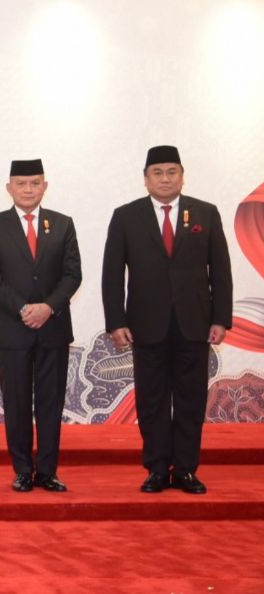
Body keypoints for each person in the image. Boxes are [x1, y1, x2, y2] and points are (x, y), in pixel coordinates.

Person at [102, 146, 232, 494]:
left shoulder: (205, 212)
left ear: (182, 175)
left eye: (171, 171)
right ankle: (158, 468)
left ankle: (186, 469)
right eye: (157, 172)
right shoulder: (126, 216)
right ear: (146, 178)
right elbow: (112, 274)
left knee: (191, 399)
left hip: (195, 323)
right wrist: (116, 321)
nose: (165, 178)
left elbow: (220, 270)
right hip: (146, 325)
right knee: (152, 399)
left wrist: (221, 317)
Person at [0, 160, 82, 493]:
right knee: (18, 401)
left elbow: (72, 275)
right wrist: (23, 308)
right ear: (9, 187)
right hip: (12, 327)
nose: (27, 189)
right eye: (20, 183)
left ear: (45, 186)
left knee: (51, 402)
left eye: (34, 183)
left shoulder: (63, 224)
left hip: (53, 327)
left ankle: (48, 471)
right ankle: (22, 469)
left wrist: (48, 307)